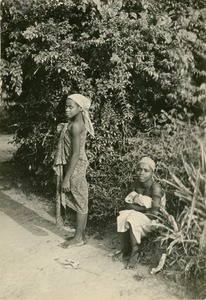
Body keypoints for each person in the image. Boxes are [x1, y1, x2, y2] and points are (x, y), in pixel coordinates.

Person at [53, 93, 94, 248]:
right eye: (66, 106)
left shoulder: (76, 126)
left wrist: (66, 178)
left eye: (71, 107)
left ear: (80, 108)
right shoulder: (75, 123)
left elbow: (75, 153)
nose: (67, 110)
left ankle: (79, 238)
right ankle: (80, 234)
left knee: (81, 201)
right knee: (79, 198)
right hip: (75, 164)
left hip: (76, 166)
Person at [117, 156, 165, 269]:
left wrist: (136, 210)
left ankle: (135, 252)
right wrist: (144, 209)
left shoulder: (155, 187)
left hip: (153, 221)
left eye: (146, 170)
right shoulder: (136, 184)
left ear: (152, 172)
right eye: (139, 170)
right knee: (123, 215)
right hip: (142, 214)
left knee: (132, 216)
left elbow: (154, 213)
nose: (141, 173)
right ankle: (126, 248)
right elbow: (127, 204)